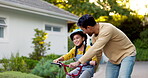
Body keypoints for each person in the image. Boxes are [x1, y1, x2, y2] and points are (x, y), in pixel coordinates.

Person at [69, 14, 136, 78]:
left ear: (88, 27)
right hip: (113, 59)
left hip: (127, 54)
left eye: (83, 30)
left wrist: (79, 62)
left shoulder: (107, 29)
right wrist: (94, 70)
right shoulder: (93, 38)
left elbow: (95, 48)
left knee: (123, 77)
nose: (84, 32)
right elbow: (98, 53)